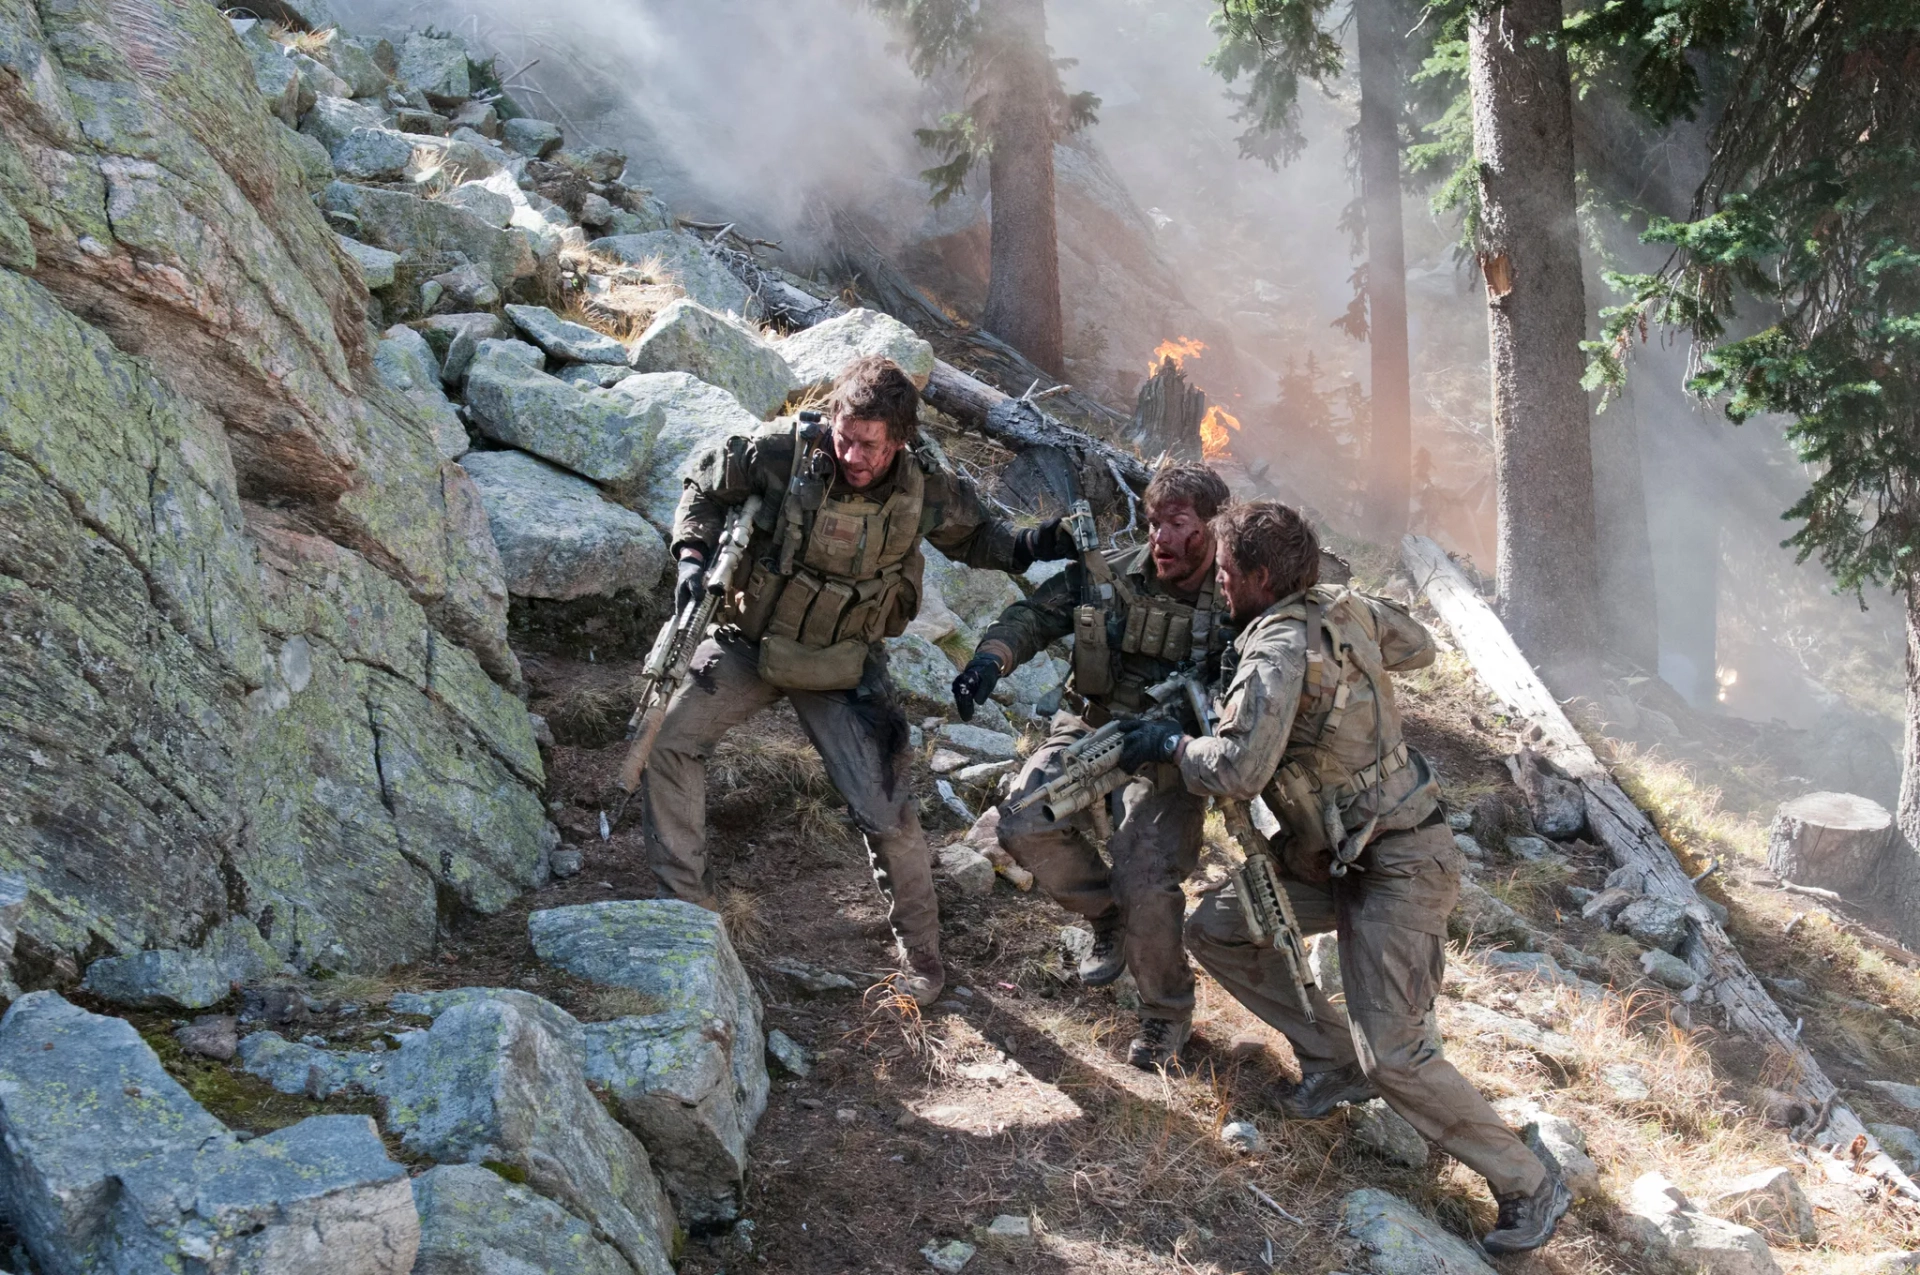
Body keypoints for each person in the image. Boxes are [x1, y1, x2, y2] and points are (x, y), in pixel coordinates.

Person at [1112, 500, 1570, 1256]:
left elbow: (1236, 769)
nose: (1219, 587)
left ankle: (1527, 1178)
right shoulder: (1338, 606)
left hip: (1398, 866)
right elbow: (1417, 645)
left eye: (1227, 574)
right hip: (1336, 858)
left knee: (1395, 1053)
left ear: (1261, 577)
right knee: (1219, 927)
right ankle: (1329, 1057)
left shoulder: (1274, 652)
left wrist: (1171, 743)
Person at [640, 356, 1075, 1005]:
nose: (850, 453)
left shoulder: (924, 486)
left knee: (890, 809)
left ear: (899, 438)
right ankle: (686, 910)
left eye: (868, 443)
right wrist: (692, 560)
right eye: (844, 435)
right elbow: (702, 487)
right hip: (749, 639)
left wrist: (1041, 543)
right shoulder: (783, 451)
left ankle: (923, 957)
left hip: (845, 663)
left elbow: (987, 541)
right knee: (666, 738)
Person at [953, 462, 1231, 1069]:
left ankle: (1165, 1014)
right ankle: (1106, 916)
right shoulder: (1110, 576)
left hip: (1169, 753)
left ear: (1213, 528)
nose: (1159, 537)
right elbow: (1030, 618)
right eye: (1154, 522)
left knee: (1147, 878)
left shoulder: (1237, 596)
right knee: (1023, 819)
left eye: (1177, 524)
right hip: (1087, 725)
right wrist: (990, 661)